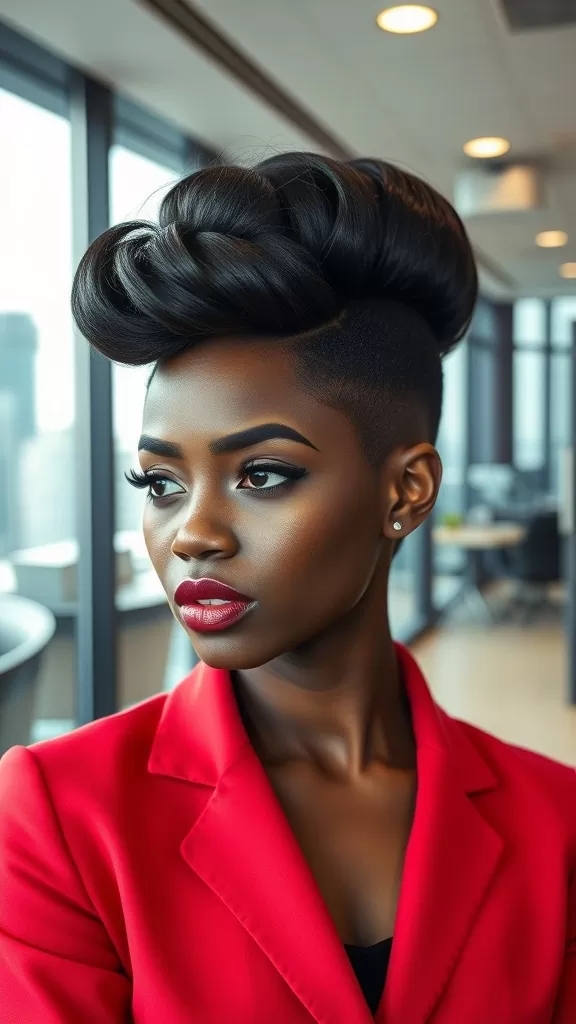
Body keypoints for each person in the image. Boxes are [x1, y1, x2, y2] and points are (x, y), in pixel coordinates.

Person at [0, 153, 574, 1024]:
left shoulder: (557, 826)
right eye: (160, 483)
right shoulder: (61, 814)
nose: (192, 532)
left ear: (406, 490)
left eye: (262, 473)